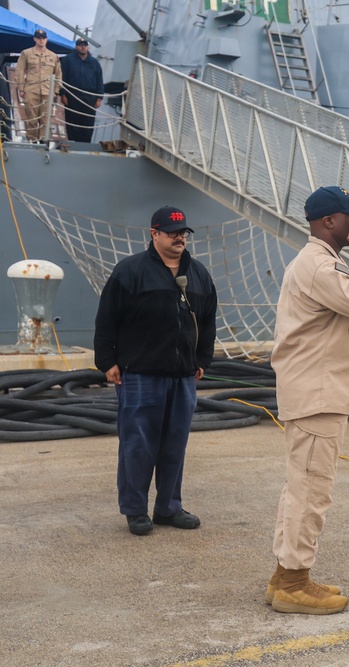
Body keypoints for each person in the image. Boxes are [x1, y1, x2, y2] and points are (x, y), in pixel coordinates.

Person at [268, 186, 349, 615]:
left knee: (301, 486)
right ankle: (292, 584)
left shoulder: (323, 263)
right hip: (316, 395)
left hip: (318, 392)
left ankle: (287, 573)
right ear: (329, 222)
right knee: (311, 490)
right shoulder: (319, 266)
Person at [94, 206, 218, 535]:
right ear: (154, 234)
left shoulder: (200, 275)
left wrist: (202, 360)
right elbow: (107, 319)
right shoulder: (130, 272)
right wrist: (107, 362)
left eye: (183, 233)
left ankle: (168, 507)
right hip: (140, 375)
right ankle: (135, 510)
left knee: (174, 444)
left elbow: (208, 322)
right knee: (138, 444)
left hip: (182, 376)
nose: (179, 237)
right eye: (172, 232)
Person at [15, 30, 62, 142]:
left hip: (47, 91)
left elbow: (58, 74)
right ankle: (32, 141)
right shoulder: (26, 53)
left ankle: (43, 141)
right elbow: (20, 71)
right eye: (39, 38)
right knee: (31, 118)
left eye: (43, 38)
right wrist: (21, 88)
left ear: (46, 39)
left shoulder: (53, 56)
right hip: (31, 90)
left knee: (45, 119)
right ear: (35, 39)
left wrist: (56, 91)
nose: (41, 40)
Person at [60, 38, 104, 143]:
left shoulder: (94, 63)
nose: (83, 47)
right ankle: (73, 144)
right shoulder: (67, 60)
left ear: (88, 47)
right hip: (72, 96)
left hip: (89, 97)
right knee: (72, 122)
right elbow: (62, 78)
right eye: (80, 45)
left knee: (88, 123)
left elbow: (99, 80)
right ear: (76, 47)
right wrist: (62, 94)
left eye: (85, 45)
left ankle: (85, 145)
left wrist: (99, 98)